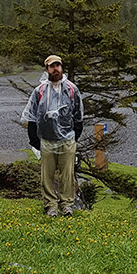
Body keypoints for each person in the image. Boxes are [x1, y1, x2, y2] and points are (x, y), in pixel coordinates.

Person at [21, 54, 84, 217]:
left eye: (57, 65)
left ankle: (67, 205)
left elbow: (78, 114)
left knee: (67, 175)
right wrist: (34, 139)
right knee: (47, 176)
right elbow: (32, 116)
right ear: (47, 69)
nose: (55, 69)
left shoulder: (71, 89)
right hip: (47, 141)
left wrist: (75, 135)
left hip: (67, 140)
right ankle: (50, 206)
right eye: (52, 66)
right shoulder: (39, 91)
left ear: (61, 67)